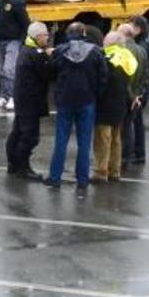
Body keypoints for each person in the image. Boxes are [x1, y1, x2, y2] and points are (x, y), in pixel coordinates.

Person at [45, 23, 106, 198]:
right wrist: (96, 95)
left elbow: (51, 72)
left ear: (68, 34)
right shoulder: (95, 52)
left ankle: (55, 177)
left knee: (61, 141)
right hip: (87, 101)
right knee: (84, 142)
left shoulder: (61, 51)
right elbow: (103, 77)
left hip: (65, 100)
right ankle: (82, 179)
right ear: (84, 33)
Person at [5, 21, 51, 180]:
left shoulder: (26, 49)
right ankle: (22, 166)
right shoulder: (35, 54)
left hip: (23, 99)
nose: (48, 37)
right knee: (30, 135)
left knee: (17, 132)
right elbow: (48, 73)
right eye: (45, 35)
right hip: (31, 101)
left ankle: (13, 163)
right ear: (38, 37)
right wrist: (48, 57)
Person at [93, 30, 136, 183]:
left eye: (105, 41)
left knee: (102, 139)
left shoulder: (107, 57)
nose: (103, 43)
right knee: (116, 139)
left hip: (105, 105)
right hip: (121, 104)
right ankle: (114, 170)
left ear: (111, 43)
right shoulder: (127, 57)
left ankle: (101, 171)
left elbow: (101, 81)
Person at [120, 17, 149, 166]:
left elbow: (136, 73)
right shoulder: (144, 46)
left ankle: (134, 154)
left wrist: (136, 95)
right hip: (140, 90)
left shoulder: (139, 48)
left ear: (138, 29)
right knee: (136, 121)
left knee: (132, 123)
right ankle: (138, 154)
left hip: (137, 91)